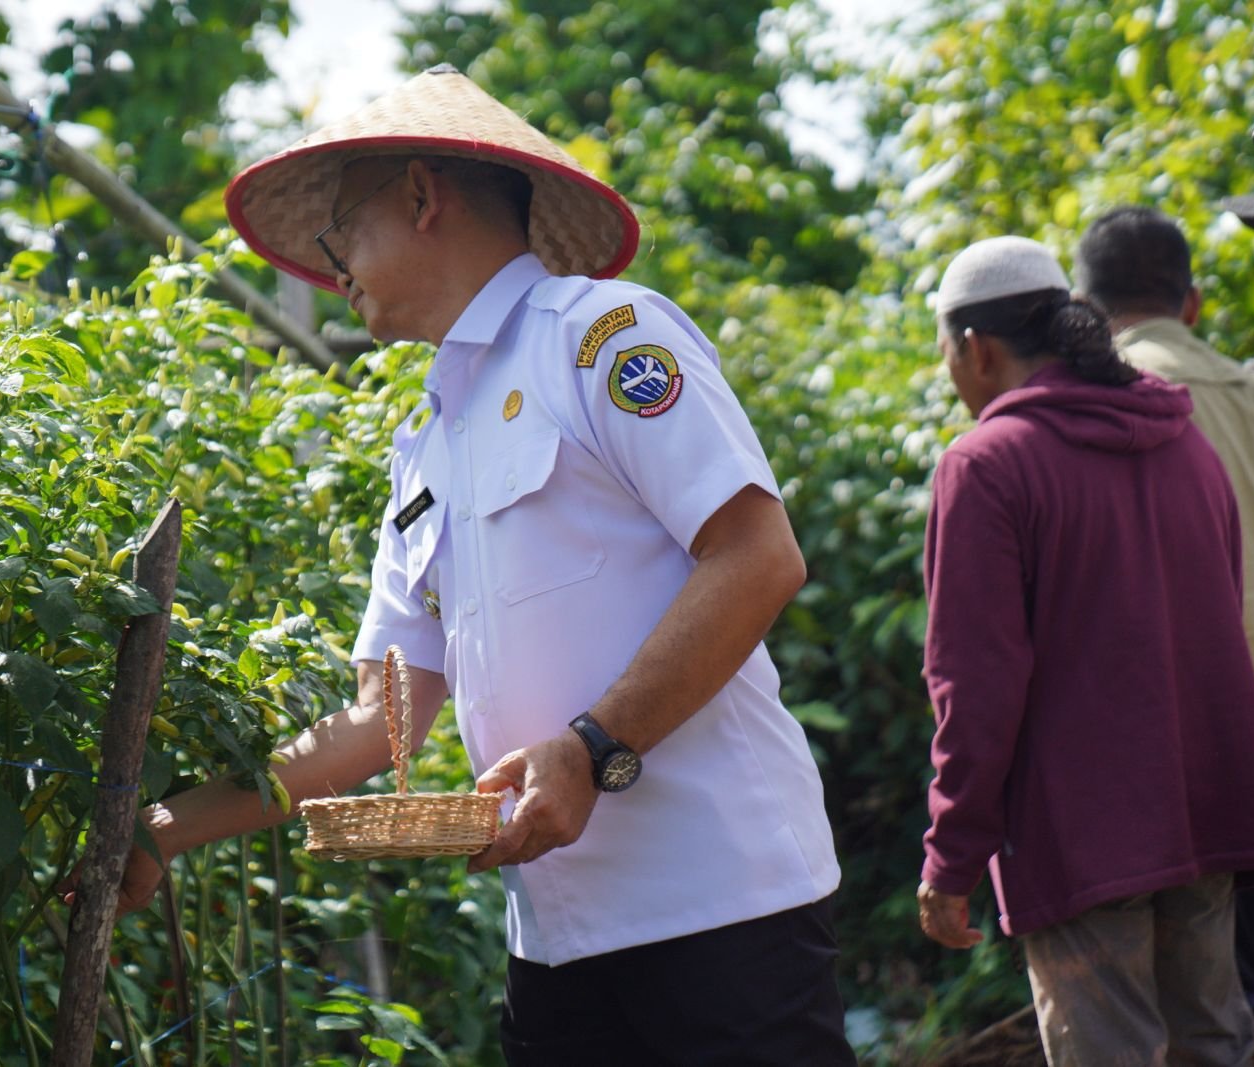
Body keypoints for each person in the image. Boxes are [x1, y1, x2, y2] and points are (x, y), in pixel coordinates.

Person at [81, 65, 855, 1065]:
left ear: (419, 195)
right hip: (559, 939)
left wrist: (588, 749)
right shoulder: (423, 447)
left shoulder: (602, 340)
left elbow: (756, 555)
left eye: (340, 234)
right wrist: (162, 824)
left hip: (720, 906)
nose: (333, 266)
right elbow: (379, 717)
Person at [915, 235, 1254, 1066]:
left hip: (1080, 832)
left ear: (975, 348)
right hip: (1205, 809)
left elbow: (973, 686)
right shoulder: (1184, 443)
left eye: (945, 349)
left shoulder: (985, 465)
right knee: (1217, 1042)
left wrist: (951, 855)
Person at [1076, 206, 1254, 1067]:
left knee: (1182, 1028)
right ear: (1194, 303)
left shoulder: (1091, 412)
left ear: (1081, 305)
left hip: (1186, 771)